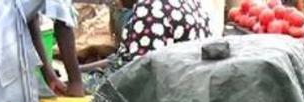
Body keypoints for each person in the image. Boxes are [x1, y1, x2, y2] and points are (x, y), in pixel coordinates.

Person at [81, 0, 212, 92]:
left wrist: (82, 83)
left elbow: (138, 76)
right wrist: (78, 70)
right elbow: (123, 58)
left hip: (168, 93)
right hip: (190, 87)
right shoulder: (190, 2)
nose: (118, 4)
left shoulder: (150, 8)